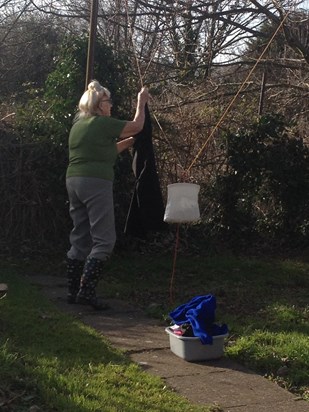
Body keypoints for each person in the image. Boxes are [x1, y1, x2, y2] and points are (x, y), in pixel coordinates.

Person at [66, 80, 149, 310]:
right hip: (96, 182)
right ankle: (87, 292)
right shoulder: (101, 123)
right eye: (107, 101)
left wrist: (130, 142)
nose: (110, 105)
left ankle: (73, 292)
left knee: (80, 236)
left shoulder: (78, 125)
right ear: (99, 105)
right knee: (104, 240)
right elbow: (137, 124)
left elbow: (107, 151)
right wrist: (141, 102)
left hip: (74, 181)